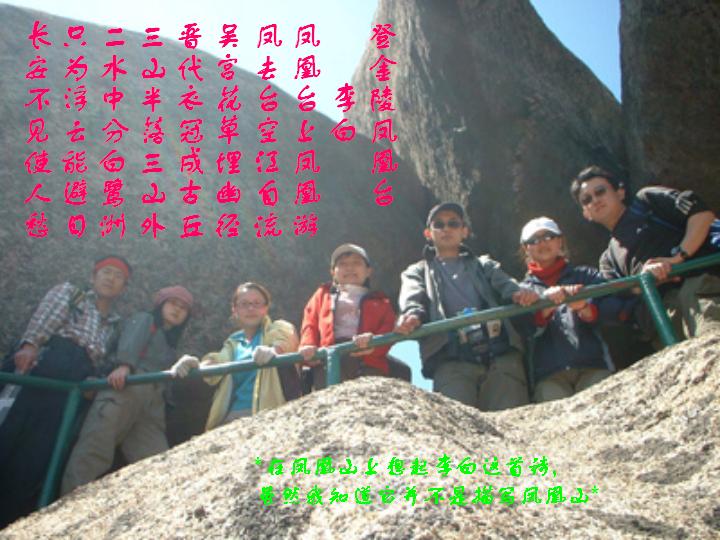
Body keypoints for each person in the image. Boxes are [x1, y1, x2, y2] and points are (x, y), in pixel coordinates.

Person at [0, 255, 130, 528]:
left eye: (118, 276)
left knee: (38, 456)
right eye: (106, 272)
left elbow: (104, 359)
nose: (111, 279)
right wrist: (30, 345)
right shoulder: (72, 295)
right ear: (94, 276)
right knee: (9, 435)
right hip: (46, 365)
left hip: (74, 385)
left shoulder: (115, 324)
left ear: (124, 287)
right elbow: (44, 319)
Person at [394, 203, 539, 411]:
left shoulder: (484, 264)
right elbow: (412, 297)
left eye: (453, 224)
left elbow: (507, 285)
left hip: (500, 353)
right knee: (456, 423)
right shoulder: (416, 272)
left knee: (512, 418)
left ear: (464, 231)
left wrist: (519, 294)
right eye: (439, 224)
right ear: (428, 233)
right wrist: (412, 315)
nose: (446, 229)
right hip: (451, 358)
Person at [60, 286, 193, 495]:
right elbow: (131, 340)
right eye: (172, 303)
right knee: (95, 447)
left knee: (156, 458)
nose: (177, 310)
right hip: (127, 386)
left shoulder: (170, 341)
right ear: (160, 305)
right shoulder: (146, 319)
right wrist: (124, 365)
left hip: (152, 401)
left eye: (183, 308)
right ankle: (68, 501)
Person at [571, 165, 720, 341]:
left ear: (620, 192)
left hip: (700, 287)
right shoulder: (608, 260)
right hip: (666, 314)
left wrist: (676, 259)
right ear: (586, 214)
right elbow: (623, 298)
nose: (595, 200)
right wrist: (646, 280)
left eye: (600, 191)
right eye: (587, 200)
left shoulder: (646, 201)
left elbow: (701, 214)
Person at [172, 282, 300, 430]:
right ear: (235, 309)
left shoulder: (278, 327)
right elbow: (218, 362)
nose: (251, 308)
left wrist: (273, 351)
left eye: (257, 303)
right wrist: (195, 365)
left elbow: (284, 341)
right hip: (233, 415)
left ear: (266, 308)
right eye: (244, 304)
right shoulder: (234, 342)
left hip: (271, 412)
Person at [519, 217, 620, 402]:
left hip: (594, 365)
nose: (542, 243)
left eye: (548, 236)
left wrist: (584, 307)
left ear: (560, 241)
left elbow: (615, 310)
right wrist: (544, 309)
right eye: (534, 240)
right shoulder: (522, 291)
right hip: (548, 375)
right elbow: (520, 331)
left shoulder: (586, 276)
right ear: (526, 248)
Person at [298, 243, 396, 389]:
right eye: (342, 264)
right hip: (330, 358)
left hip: (367, 360)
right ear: (333, 272)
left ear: (368, 271)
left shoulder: (381, 301)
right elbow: (310, 322)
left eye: (357, 263)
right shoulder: (323, 294)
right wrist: (307, 345)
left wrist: (374, 343)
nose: (350, 268)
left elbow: (388, 327)